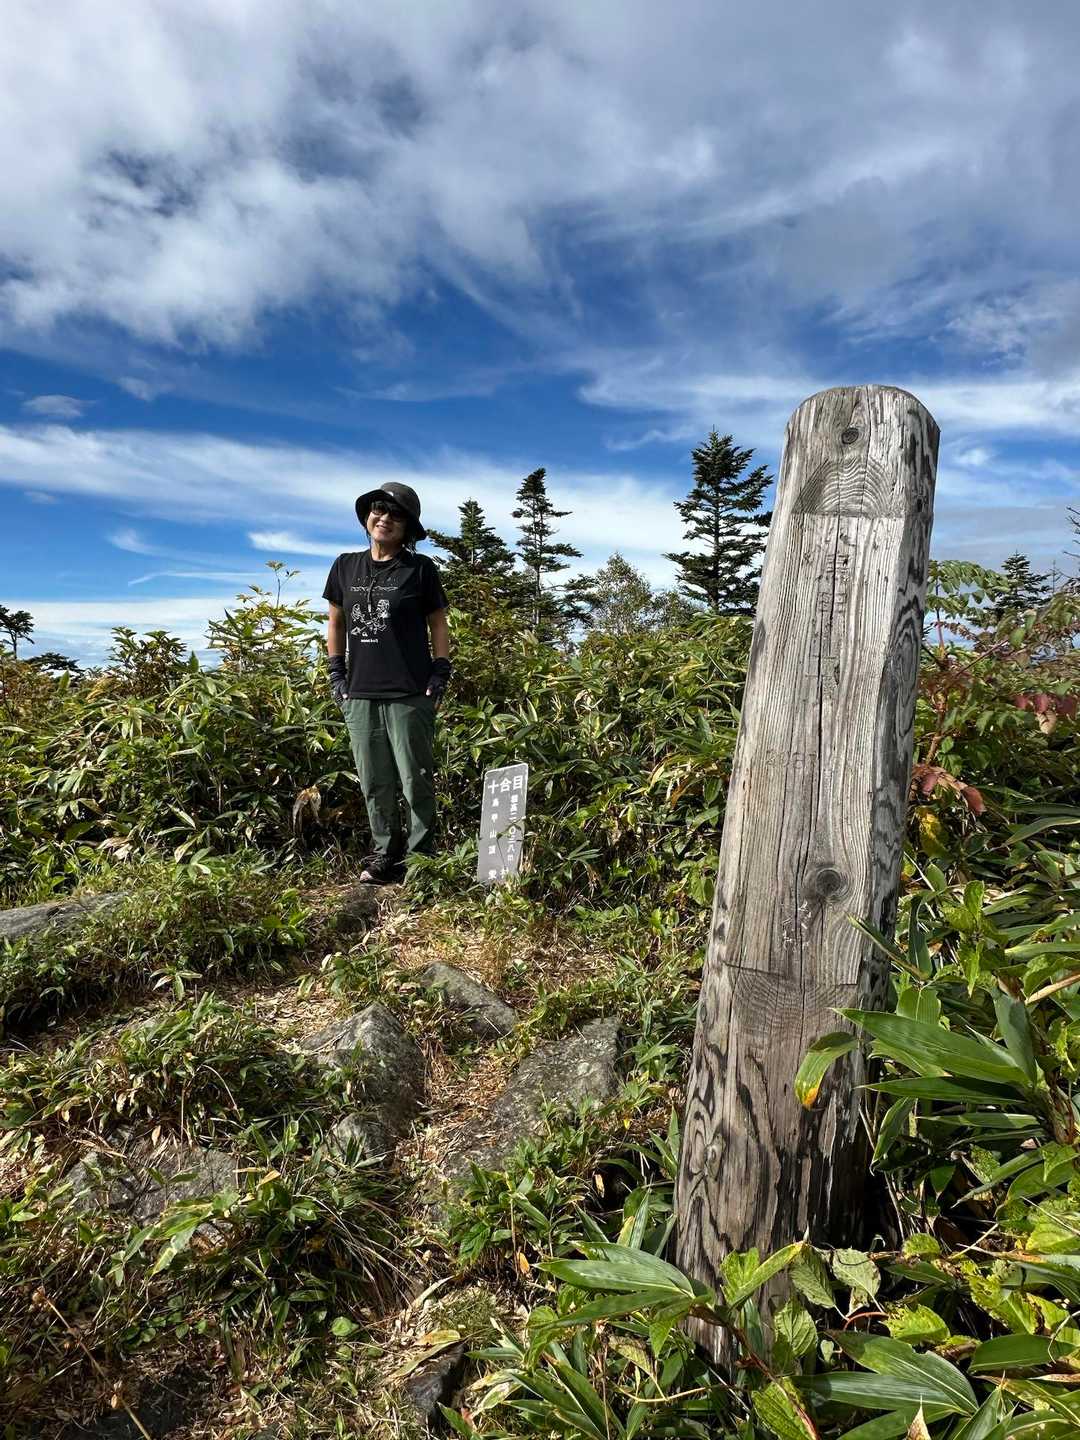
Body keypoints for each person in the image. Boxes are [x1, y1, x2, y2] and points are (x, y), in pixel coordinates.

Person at [323, 482, 451, 884]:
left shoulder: (420, 569)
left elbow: (438, 623)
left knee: (415, 780)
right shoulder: (345, 566)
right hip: (359, 691)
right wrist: (336, 672)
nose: (385, 518)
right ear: (367, 517)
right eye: (379, 509)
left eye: (397, 514)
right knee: (374, 781)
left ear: (408, 527)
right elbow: (336, 622)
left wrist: (441, 670)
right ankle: (385, 854)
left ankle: (421, 860)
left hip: (410, 691)